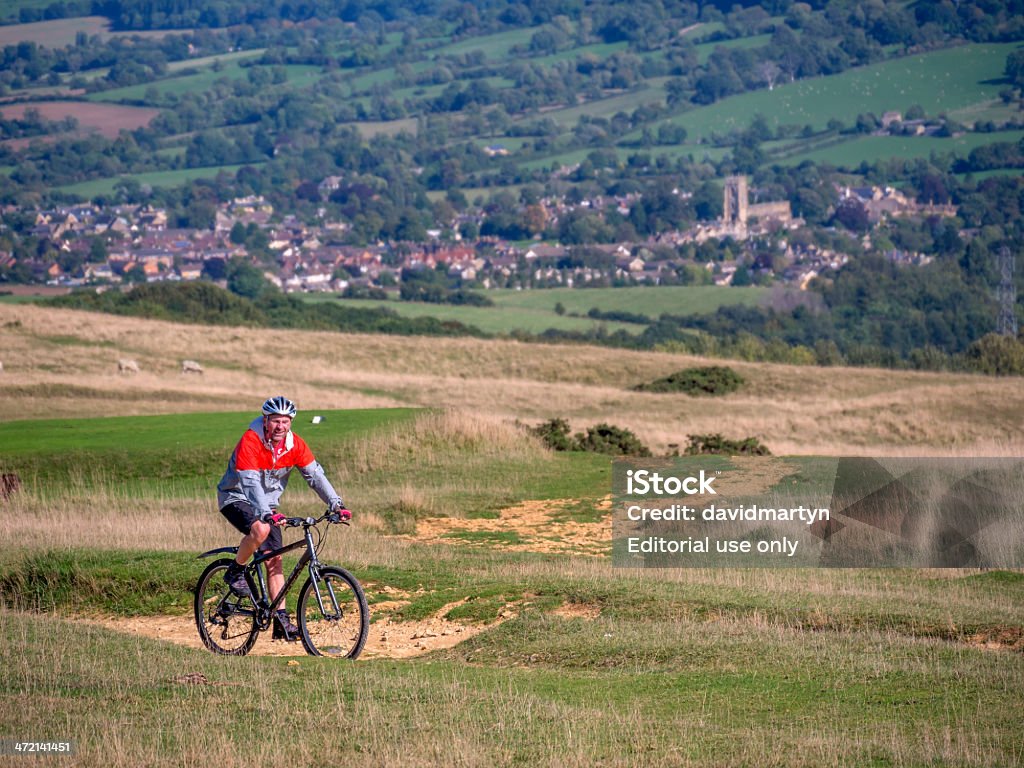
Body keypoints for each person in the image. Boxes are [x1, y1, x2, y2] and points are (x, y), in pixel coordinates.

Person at [217, 395, 351, 641]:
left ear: (291, 422)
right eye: (276, 421)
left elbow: (315, 476)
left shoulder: (294, 445)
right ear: (266, 420)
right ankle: (236, 571)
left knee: (275, 561)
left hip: (267, 506)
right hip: (236, 497)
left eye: (286, 421)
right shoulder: (251, 440)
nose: (280, 426)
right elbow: (249, 482)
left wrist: (336, 503)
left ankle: (281, 623)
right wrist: (265, 513)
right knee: (261, 530)